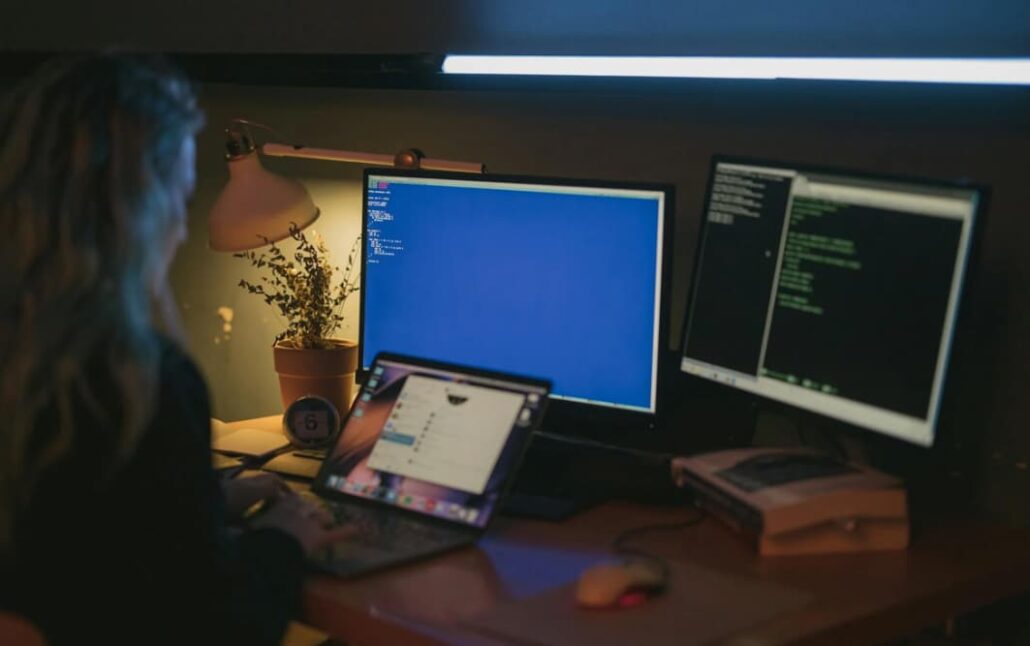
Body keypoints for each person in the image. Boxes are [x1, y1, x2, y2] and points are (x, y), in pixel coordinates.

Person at [0, 52, 349, 644]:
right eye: (180, 198)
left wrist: (206, 499)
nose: (183, 228)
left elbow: (78, 523)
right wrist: (284, 536)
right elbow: (220, 627)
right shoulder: (137, 378)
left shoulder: (29, 357)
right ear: (140, 208)